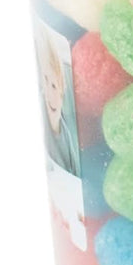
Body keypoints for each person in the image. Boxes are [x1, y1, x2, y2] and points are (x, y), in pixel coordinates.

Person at [37, 32, 80, 176]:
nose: (49, 95)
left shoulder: (67, 135)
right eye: (45, 80)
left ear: (62, 91)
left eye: (54, 86)